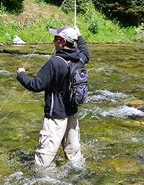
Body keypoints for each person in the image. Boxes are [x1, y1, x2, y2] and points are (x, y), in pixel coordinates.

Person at [16, 26, 89, 168]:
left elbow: (35, 85)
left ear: (62, 41)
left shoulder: (54, 63)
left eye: (55, 38)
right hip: (72, 113)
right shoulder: (79, 59)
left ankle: (41, 181)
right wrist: (79, 36)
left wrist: (21, 75)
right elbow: (86, 52)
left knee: (45, 156)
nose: (53, 41)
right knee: (74, 153)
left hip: (56, 116)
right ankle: (78, 175)